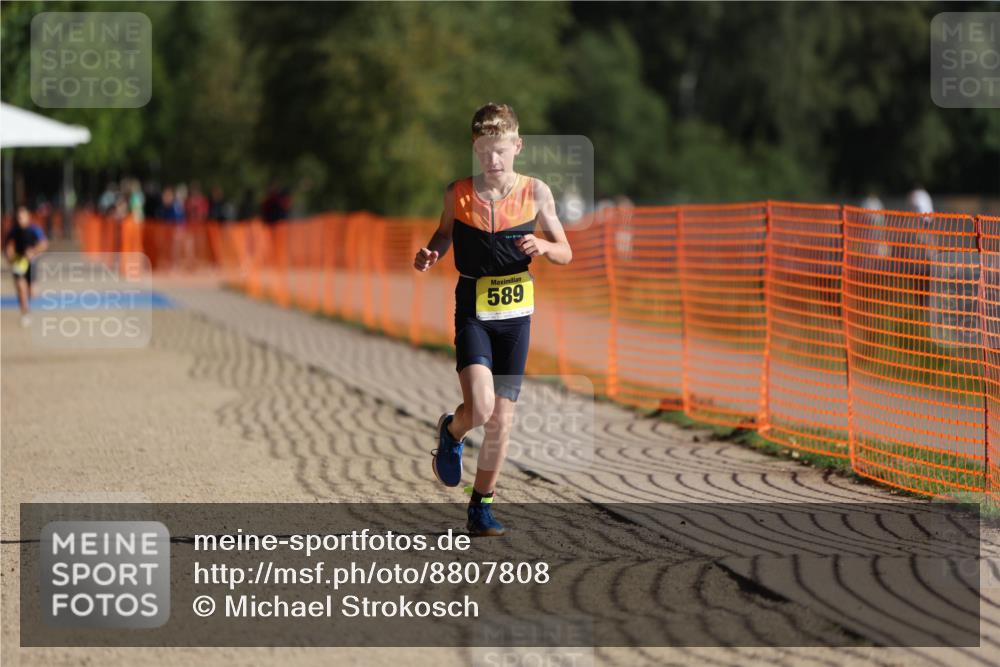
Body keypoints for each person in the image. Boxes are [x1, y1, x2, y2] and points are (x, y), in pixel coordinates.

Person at [413, 103, 572, 537]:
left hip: (516, 316)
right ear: (475, 148)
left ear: (517, 146)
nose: (493, 160)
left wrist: (543, 247)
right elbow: (444, 234)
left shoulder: (536, 192)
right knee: (480, 408)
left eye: (500, 150)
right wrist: (431, 252)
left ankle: (480, 506)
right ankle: (452, 430)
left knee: (502, 419)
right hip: (474, 308)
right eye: (484, 151)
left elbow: (565, 251)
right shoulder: (457, 193)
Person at [4, 205, 49, 326]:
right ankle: (25, 313)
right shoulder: (13, 231)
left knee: (31, 292)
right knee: (21, 288)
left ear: (28, 217)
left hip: (31, 262)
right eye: (18, 217)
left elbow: (44, 244)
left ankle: (30, 294)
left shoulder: (34, 229)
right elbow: (7, 247)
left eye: (22, 216)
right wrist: (9, 256)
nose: (20, 219)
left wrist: (33, 251)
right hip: (19, 262)